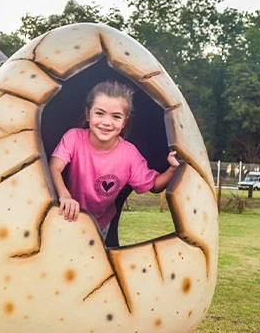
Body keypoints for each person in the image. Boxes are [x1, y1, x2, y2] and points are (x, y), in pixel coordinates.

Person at [49, 80, 180, 238]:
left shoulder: (129, 154)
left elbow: (154, 185)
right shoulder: (74, 138)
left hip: (100, 224)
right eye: (99, 113)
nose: (106, 122)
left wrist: (173, 168)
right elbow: (55, 166)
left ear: (124, 121)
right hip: (67, 216)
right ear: (87, 114)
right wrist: (65, 196)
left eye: (116, 116)